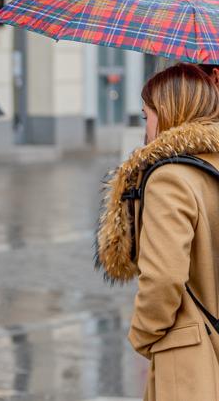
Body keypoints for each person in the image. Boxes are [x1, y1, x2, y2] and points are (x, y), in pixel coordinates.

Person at [96, 63, 219, 401]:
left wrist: (143, 334)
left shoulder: (170, 178)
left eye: (146, 114)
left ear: (168, 112)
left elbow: (164, 276)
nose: (145, 125)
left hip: (190, 354)